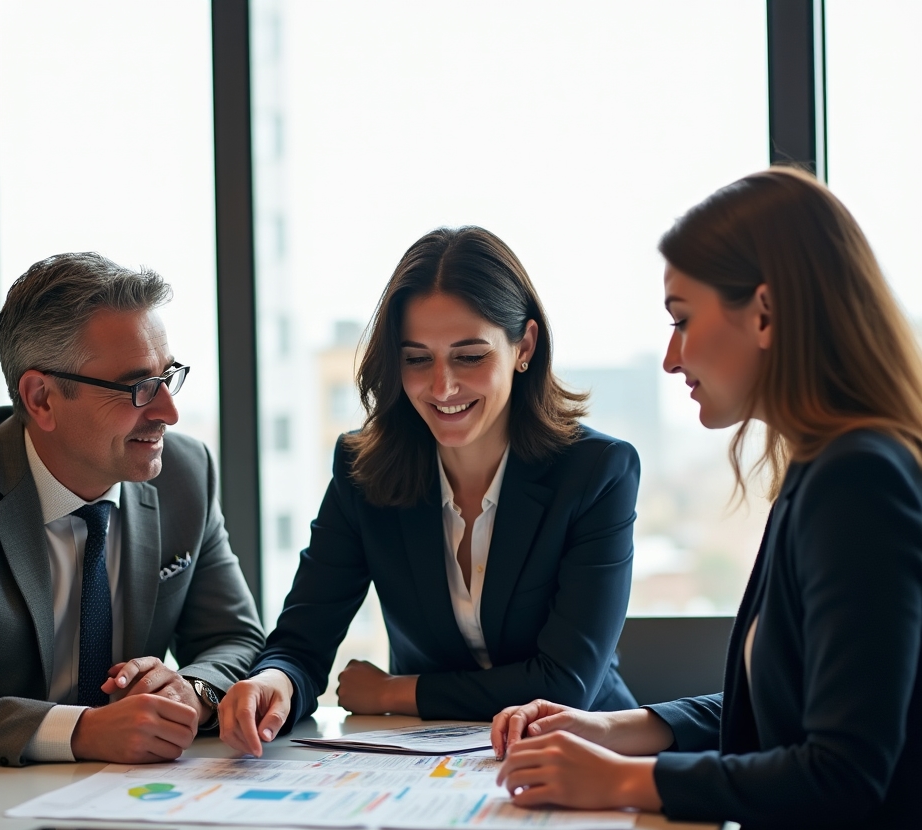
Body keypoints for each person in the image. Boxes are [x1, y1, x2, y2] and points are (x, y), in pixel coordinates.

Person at [491, 168, 922, 830]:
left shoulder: (859, 480)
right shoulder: (826, 467)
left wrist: (624, 783)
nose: (671, 356)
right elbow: (790, 706)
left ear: (765, 313)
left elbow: (843, 769)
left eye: (682, 319)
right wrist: (620, 730)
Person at [217, 226, 640, 756]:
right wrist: (273, 682)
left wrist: (394, 692)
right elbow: (302, 641)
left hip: (582, 753)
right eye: (417, 359)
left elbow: (562, 685)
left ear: (524, 346)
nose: (442, 387)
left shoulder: (596, 472)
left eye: (470, 356)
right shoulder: (362, 470)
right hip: (425, 763)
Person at [0, 253, 264, 766]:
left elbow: (236, 637)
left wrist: (192, 689)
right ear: (42, 398)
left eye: (168, 376)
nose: (169, 411)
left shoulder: (186, 473)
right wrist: (81, 731)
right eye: (138, 387)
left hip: (131, 790)